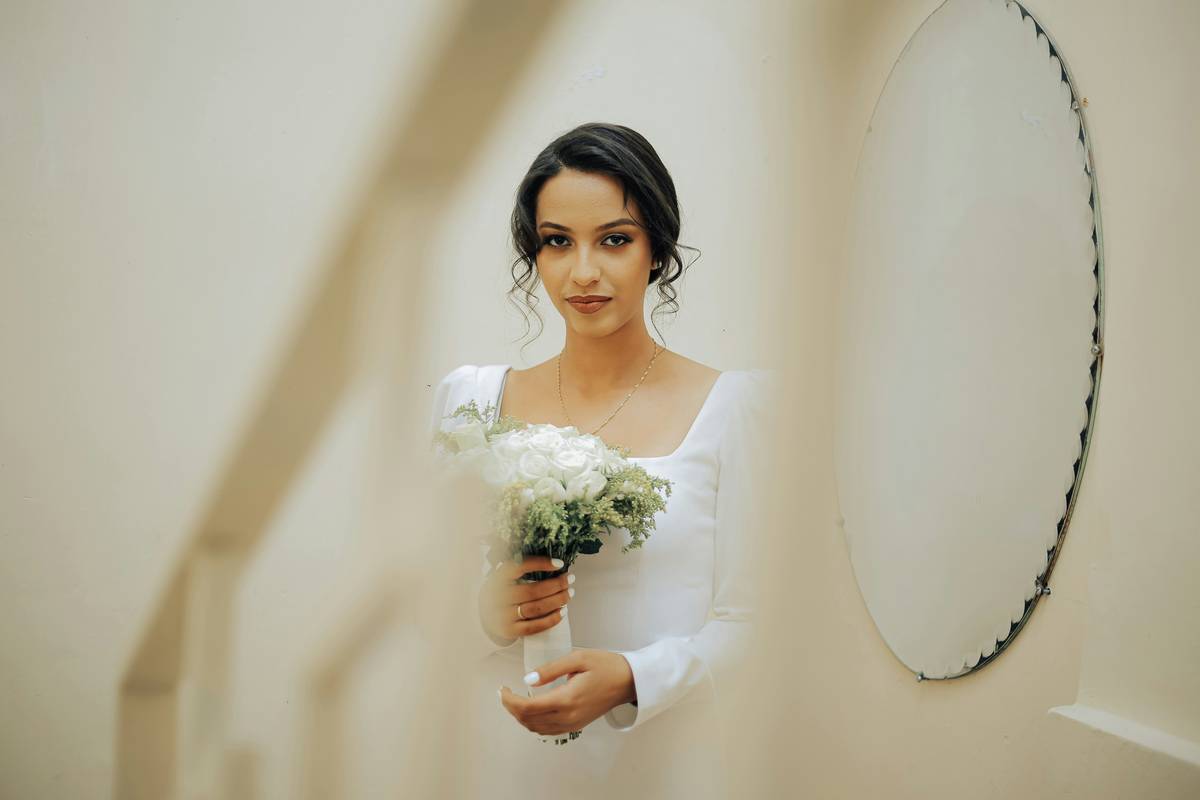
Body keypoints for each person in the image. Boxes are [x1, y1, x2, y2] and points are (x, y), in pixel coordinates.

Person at [428, 122, 774, 799]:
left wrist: (633, 678)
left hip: (666, 767)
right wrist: (482, 613)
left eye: (614, 240)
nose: (583, 271)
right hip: (497, 766)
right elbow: (421, 616)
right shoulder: (470, 401)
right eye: (558, 241)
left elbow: (755, 622)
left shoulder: (737, 409)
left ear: (657, 250)